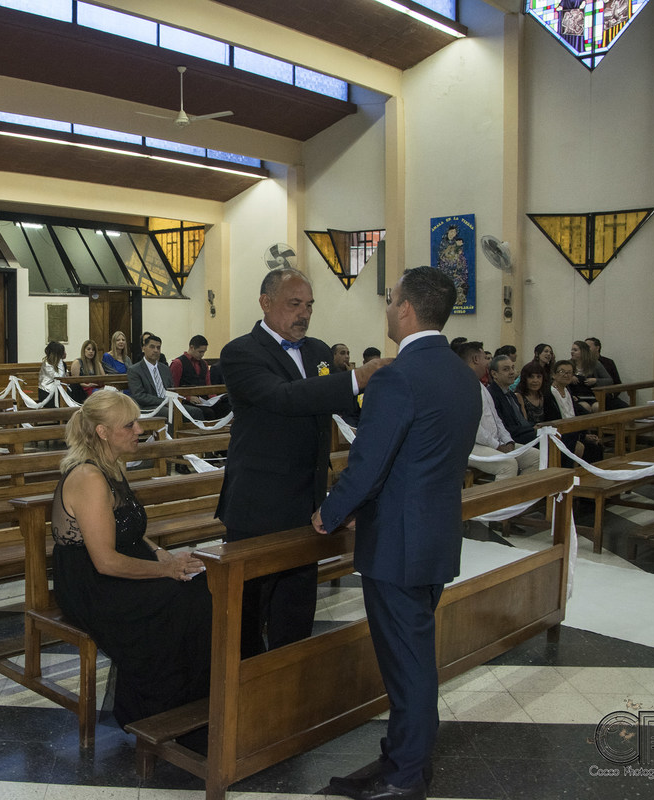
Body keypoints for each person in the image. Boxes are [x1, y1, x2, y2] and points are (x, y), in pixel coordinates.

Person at [312, 266, 481, 800]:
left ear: (406, 309)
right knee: (413, 658)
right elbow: (423, 459)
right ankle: (401, 758)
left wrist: (331, 512)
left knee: (408, 666)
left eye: (390, 299)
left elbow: (370, 461)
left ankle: (406, 776)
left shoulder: (397, 376)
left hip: (398, 545)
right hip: (436, 535)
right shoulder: (462, 374)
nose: (387, 308)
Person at [215, 268, 387, 656]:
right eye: (295, 304)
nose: (304, 314)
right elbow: (285, 397)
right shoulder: (241, 352)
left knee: (296, 608)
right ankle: (244, 684)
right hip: (258, 504)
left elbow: (335, 403)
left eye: (309, 305)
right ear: (265, 302)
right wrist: (357, 377)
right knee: (247, 612)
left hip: (307, 501)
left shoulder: (318, 351)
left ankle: (289, 681)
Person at [50, 389, 211, 727]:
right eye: (129, 425)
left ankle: (195, 700)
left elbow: (126, 527)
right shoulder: (89, 478)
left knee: (204, 585)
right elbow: (105, 561)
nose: (140, 429)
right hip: (92, 584)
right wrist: (166, 570)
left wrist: (159, 553)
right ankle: (157, 711)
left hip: (115, 567)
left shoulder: (111, 466)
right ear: (102, 432)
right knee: (184, 600)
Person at [458, 341, 539, 481]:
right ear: (476, 359)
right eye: (485, 358)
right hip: (471, 446)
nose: (488, 363)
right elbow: (473, 428)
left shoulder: (481, 385)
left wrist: (508, 441)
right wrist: (497, 446)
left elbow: (496, 419)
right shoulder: (462, 386)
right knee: (508, 465)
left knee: (535, 457)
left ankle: (517, 494)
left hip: (493, 442)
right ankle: (499, 497)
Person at [126, 335, 206, 419]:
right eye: (152, 347)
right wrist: (164, 401)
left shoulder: (165, 368)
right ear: (143, 348)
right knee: (172, 414)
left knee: (196, 411)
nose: (156, 350)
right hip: (149, 407)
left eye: (158, 347)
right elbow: (139, 395)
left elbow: (172, 389)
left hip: (169, 404)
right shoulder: (135, 370)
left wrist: (179, 398)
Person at [550, 359, 603, 463]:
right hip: (560, 434)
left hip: (573, 432)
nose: (566, 375)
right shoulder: (550, 394)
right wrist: (580, 437)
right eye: (562, 372)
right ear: (554, 375)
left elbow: (576, 414)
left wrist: (584, 435)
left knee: (596, 446)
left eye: (569, 372)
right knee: (579, 447)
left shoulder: (568, 391)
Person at [487, 354, 536, 445]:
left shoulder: (511, 394)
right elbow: (504, 428)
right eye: (506, 369)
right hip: (509, 439)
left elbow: (521, 421)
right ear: (494, 374)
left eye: (512, 368)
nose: (512, 372)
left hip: (524, 433)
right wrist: (532, 429)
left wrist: (535, 427)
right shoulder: (491, 395)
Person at [569, 340, 611, 412]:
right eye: (572, 350)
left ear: (583, 352)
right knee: (585, 407)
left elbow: (609, 380)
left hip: (592, 396)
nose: (572, 352)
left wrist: (596, 380)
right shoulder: (568, 364)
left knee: (597, 407)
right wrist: (570, 377)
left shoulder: (595, 364)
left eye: (575, 350)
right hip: (576, 396)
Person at [37, 341, 66, 407]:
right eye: (62, 352)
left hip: (57, 391)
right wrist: (60, 360)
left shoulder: (59, 363)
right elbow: (60, 377)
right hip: (47, 393)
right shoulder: (47, 364)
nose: (65, 353)